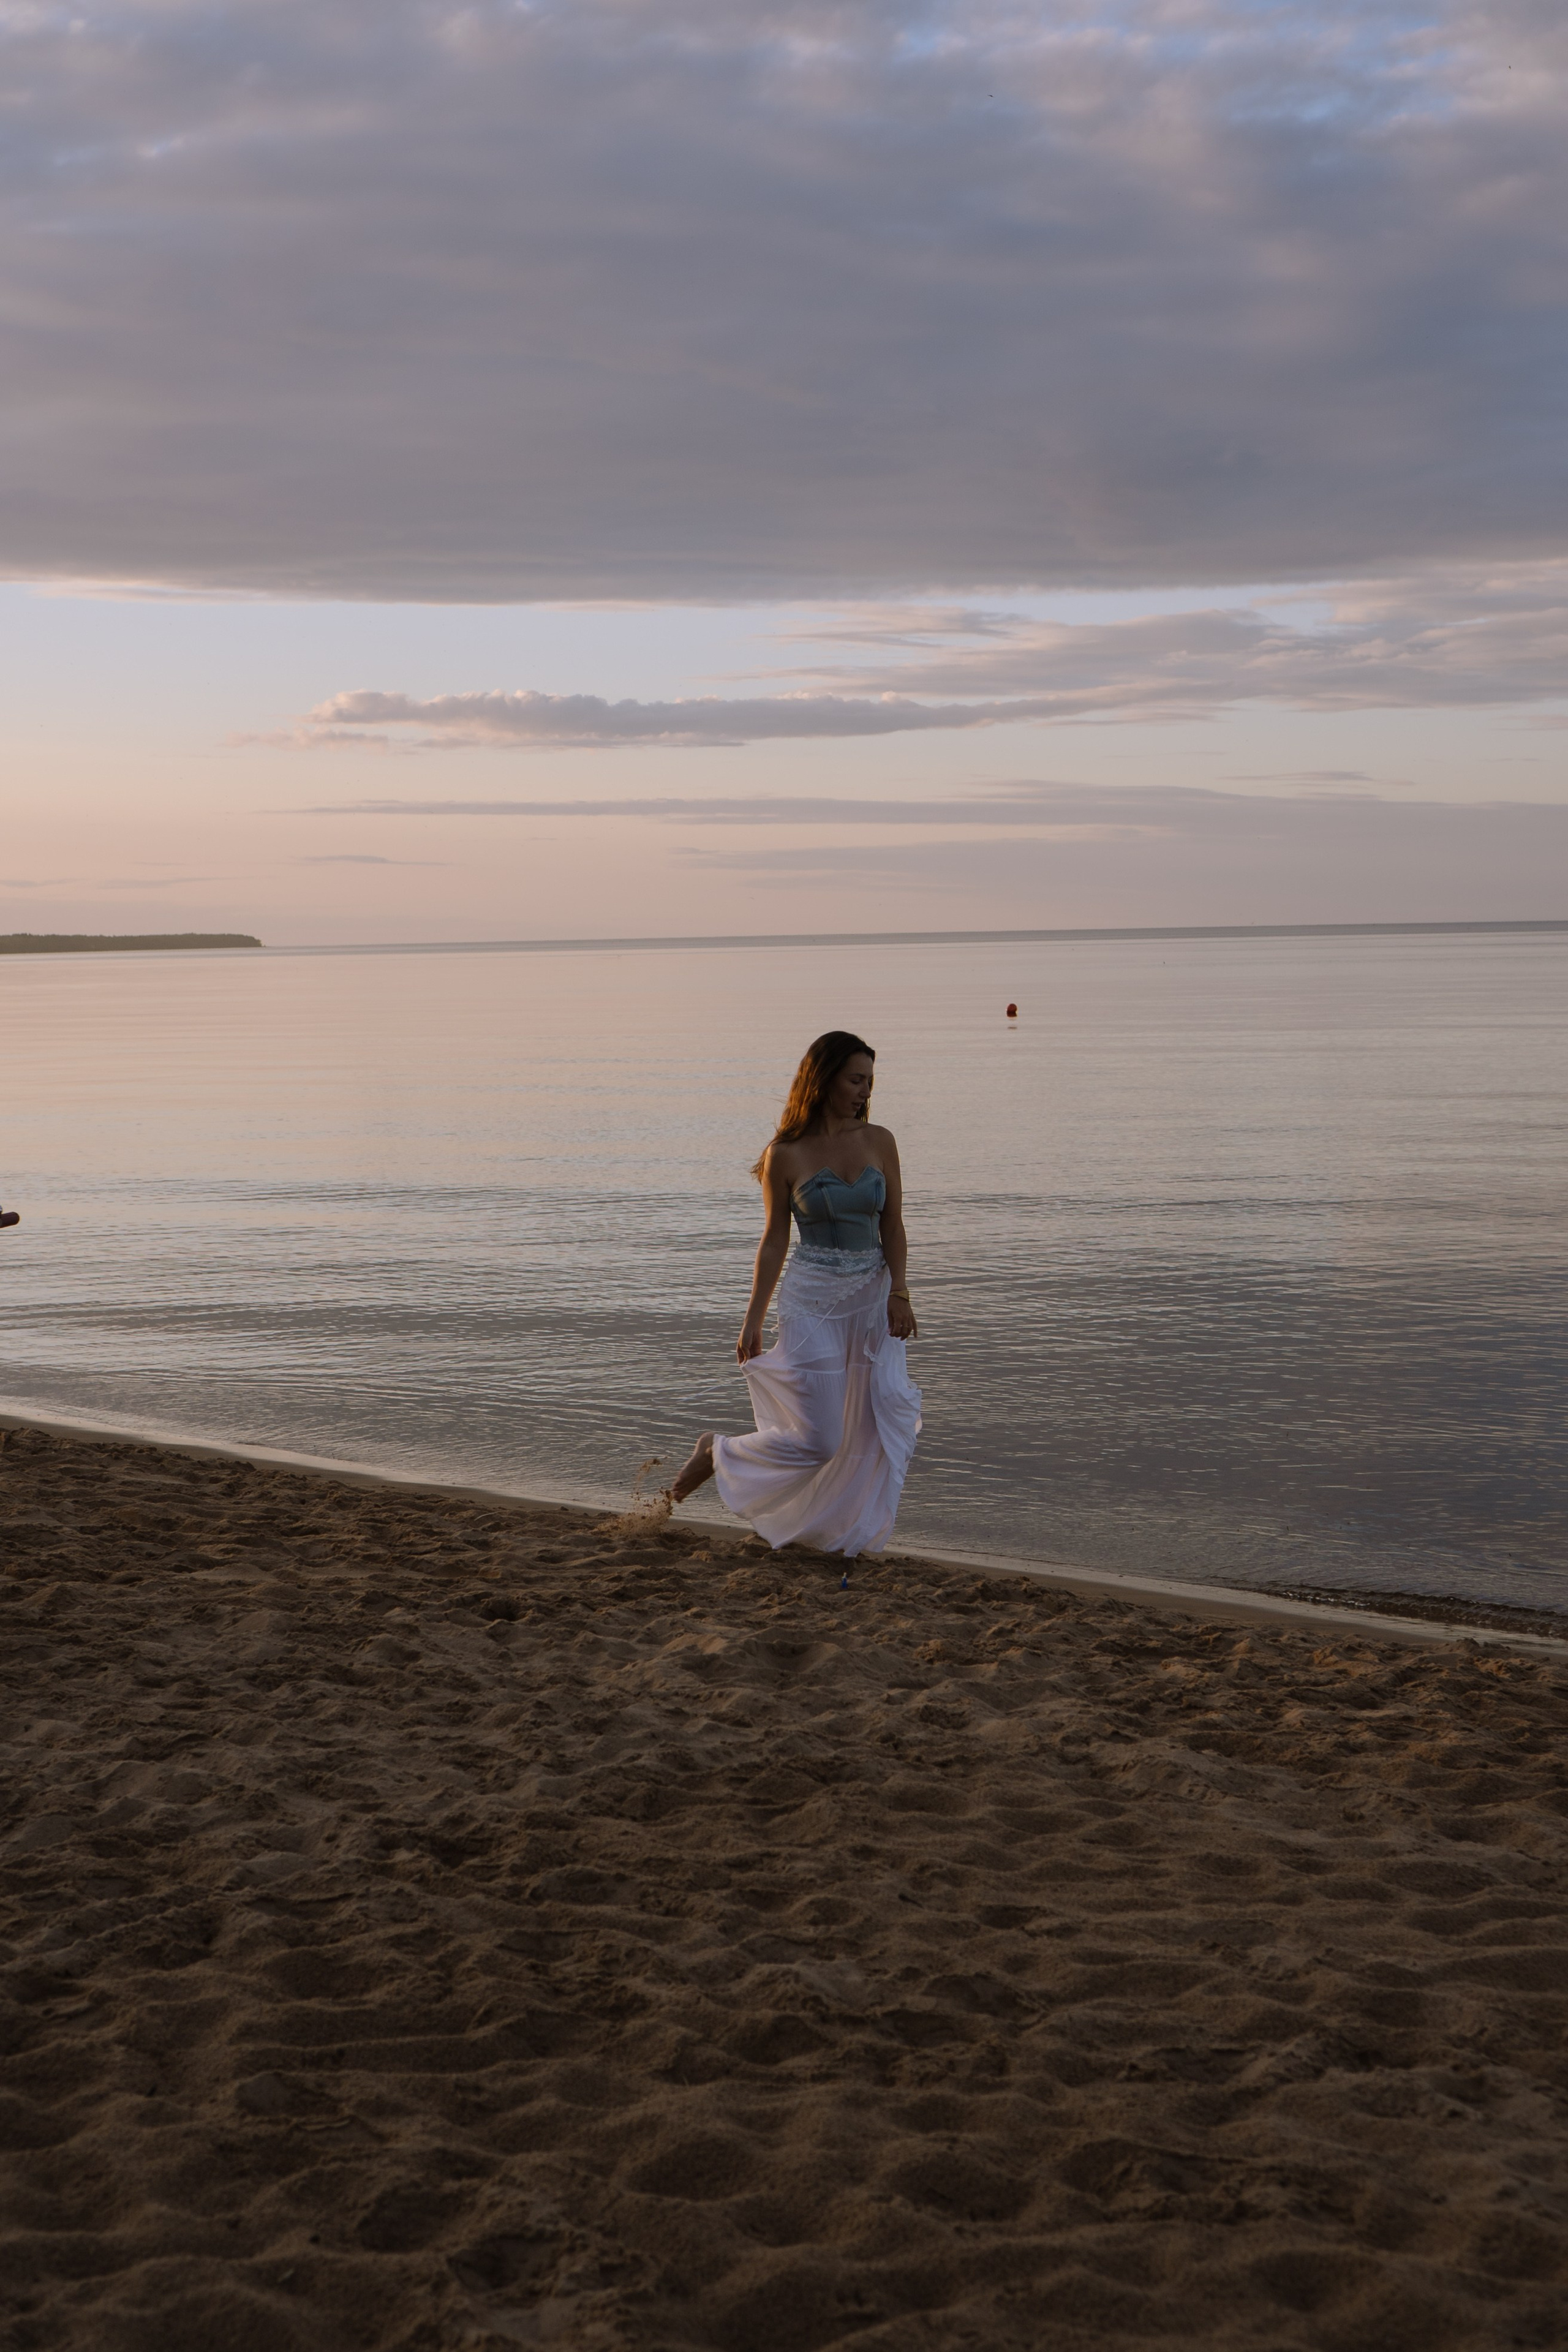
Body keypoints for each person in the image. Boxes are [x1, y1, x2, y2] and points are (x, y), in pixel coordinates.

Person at [670, 1031, 922, 1558]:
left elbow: (894, 1225)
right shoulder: (784, 1153)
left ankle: (831, 1532)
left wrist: (901, 1291)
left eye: (870, 1081)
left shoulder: (881, 1140)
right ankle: (717, 1453)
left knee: (870, 1427)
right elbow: (774, 1240)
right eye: (856, 1079)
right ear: (824, 1077)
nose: (864, 1090)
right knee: (821, 1438)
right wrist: (753, 1318)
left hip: (872, 1300)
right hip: (812, 1302)